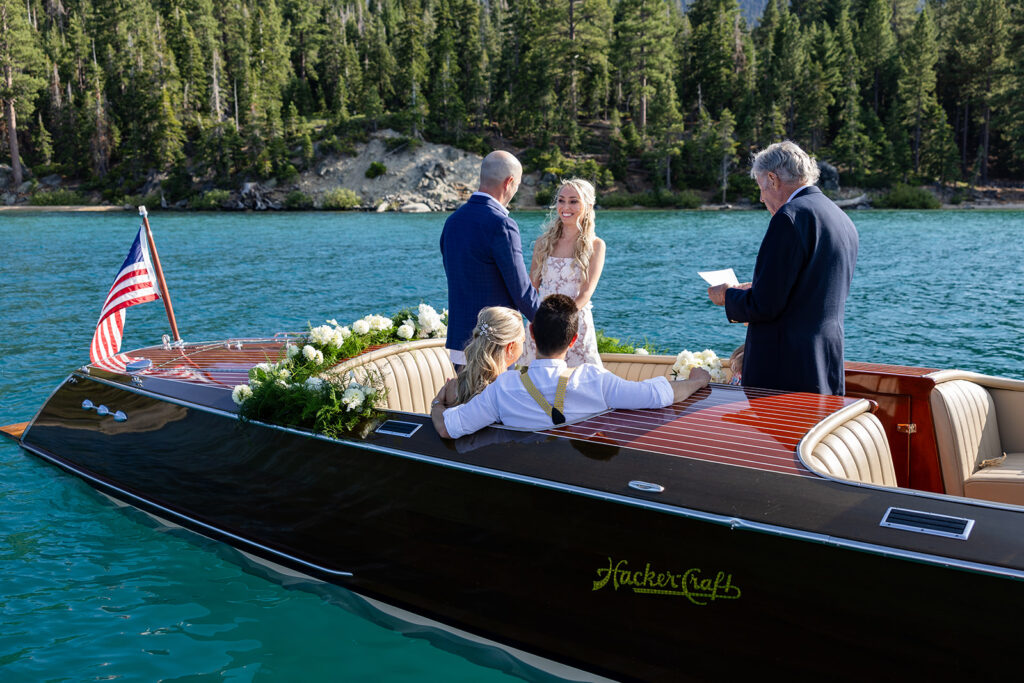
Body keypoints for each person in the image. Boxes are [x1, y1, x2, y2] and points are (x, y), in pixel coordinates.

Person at [432, 294, 710, 440]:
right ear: (574, 340)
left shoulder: (504, 387)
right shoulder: (594, 380)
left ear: (531, 332)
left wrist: (437, 404)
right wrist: (697, 381)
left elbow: (447, 428)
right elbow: (656, 395)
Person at [707, 141, 858, 395]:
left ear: (772, 179)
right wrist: (756, 289)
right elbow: (810, 290)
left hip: (785, 371)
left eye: (760, 187)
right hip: (826, 362)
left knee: (782, 436)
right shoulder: (840, 218)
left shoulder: (789, 218)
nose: (761, 197)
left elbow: (765, 305)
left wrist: (727, 296)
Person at [440, 150, 540, 371]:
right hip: (494, 345)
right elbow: (522, 291)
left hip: (459, 342)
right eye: (518, 184)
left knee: (467, 405)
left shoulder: (453, 222)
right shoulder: (501, 224)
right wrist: (550, 324)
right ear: (509, 182)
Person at [521, 178, 605, 368]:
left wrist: (562, 321)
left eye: (573, 201)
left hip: (573, 323)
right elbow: (532, 286)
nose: (565, 206)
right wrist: (536, 321)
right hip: (541, 322)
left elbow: (586, 292)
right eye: (561, 200)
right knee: (535, 384)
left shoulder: (596, 245)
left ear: (588, 205)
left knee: (579, 384)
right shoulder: (542, 242)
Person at [453, 307, 526, 405]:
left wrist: (437, 404)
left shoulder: (457, 386)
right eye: (523, 341)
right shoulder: (510, 389)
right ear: (510, 347)